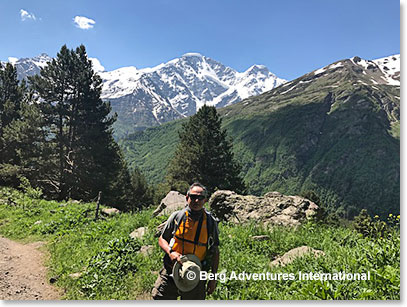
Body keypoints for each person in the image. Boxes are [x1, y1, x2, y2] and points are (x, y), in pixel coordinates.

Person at [152, 182, 220, 300]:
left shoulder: (210, 222)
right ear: (187, 198)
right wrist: (170, 252)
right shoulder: (177, 217)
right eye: (193, 197)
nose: (196, 201)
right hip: (171, 269)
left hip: (195, 273)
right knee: (159, 298)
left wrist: (213, 278)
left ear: (205, 200)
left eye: (200, 197)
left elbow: (215, 250)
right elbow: (162, 239)